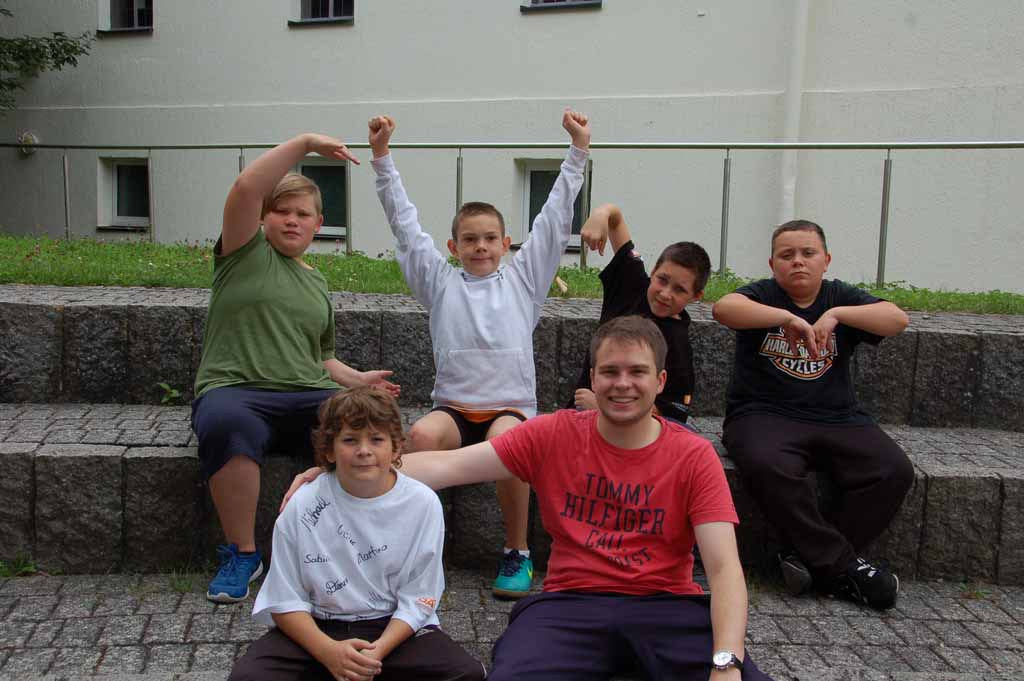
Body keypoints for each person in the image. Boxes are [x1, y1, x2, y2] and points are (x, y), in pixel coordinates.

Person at [285, 316, 773, 680]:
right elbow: (449, 466)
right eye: (609, 371)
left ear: (660, 381)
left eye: (637, 372)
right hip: (570, 604)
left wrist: (726, 661)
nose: (622, 384)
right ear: (592, 379)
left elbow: (724, 570)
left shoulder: (693, 456)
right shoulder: (555, 434)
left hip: (666, 606)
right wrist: (343, 471)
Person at [368, 109, 591, 598]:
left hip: (509, 408)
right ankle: (408, 549)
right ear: (453, 246)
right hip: (453, 408)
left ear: (506, 243)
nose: (480, 246)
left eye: (490, 238)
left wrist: (577, 152)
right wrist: (382, 158)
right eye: (469, 239)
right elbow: (405, 226)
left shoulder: (525, 280)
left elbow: (554, 220)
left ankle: (517, 550)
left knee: (511, 444)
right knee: (420, 435)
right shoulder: (438, 282)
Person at [191, 133, 400, 603]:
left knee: (363, 427)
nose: (291, 220)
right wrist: (304, 144)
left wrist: (359, 381)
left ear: (318, 224)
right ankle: (243, 554)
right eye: (281, 211)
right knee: (227, 424)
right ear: (263, 218)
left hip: (307, 393)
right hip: (237, 389)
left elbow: (321, 357)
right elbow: (246, 187)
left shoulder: (316, 282)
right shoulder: (243, 253)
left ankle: (349, 550)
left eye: (303, 214)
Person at [712, 219, 914, 610]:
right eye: (786, 255)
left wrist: (838, 314)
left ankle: (811, 562)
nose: (798, 262)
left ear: (826, 260)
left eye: (808, 253)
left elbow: (897, 319)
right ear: (772, 263)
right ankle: (843, 568)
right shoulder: (764, 295)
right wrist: (785, 318)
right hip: (762, 415)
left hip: (837, 417)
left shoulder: (840, 297)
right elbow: (724, 308)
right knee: (768, 465)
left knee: (893, 469)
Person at [229, 387, 485, 681]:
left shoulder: (423, 503)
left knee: (466, 674)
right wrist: (328, 652)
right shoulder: (302, 503)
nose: (364, 450)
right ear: (329, 450)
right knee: (247, 678)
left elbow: (420, 597)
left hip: (391, 627)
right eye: (350, 440)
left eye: (376, 439)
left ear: (396, 448)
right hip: (317, 626)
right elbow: (284, 598)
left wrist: (376, 653)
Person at [568, 203, 711, 426]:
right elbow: (615, 221)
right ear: (653, 271)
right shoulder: (632, 284)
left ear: (696, 296)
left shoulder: (679, 347)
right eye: (662, 280)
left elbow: (671, 416)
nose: (665, 294)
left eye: (679, 289)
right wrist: (601, 214)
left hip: (627, 428)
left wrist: (603, 406)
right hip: (579, 418)